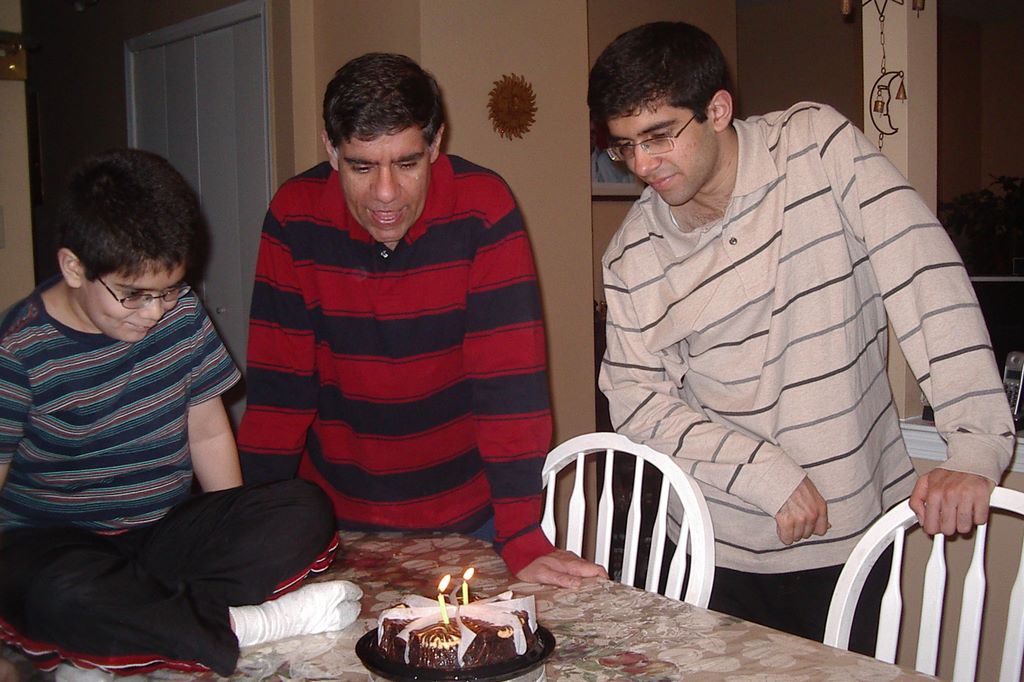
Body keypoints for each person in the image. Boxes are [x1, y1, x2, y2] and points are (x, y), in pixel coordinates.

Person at [589, 22, 1015, 649]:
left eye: (659, 137)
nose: (643, 166)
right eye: (625, 147)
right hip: (710, 548)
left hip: (852, 539)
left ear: (717, 109)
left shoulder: (816, 148)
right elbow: (637, 402)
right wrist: (765, 472)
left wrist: (975, 442)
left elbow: (923, 274)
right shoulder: (633, 255)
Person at [237, 53, 604, 589]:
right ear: (331, 149)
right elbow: (279, 394)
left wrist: (522, 532)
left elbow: (508, 389)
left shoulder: (484, 209)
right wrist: (254, 524)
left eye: (407, 164)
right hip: (331, 521)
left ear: (435, 145)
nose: (385, 194)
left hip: (469, 518)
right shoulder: (294, 216)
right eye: (362, 167)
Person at [0, 149, 362, 681]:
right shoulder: (18, 349)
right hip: (59, 547)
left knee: (303, 507)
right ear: (74, 267)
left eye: (168, 290)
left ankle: (127, 634)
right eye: (133, 295)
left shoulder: (181, 313)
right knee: (58, 593)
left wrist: (230, 521)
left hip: (161, 536)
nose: (155, 312)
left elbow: (208, 430)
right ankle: (244, 626)